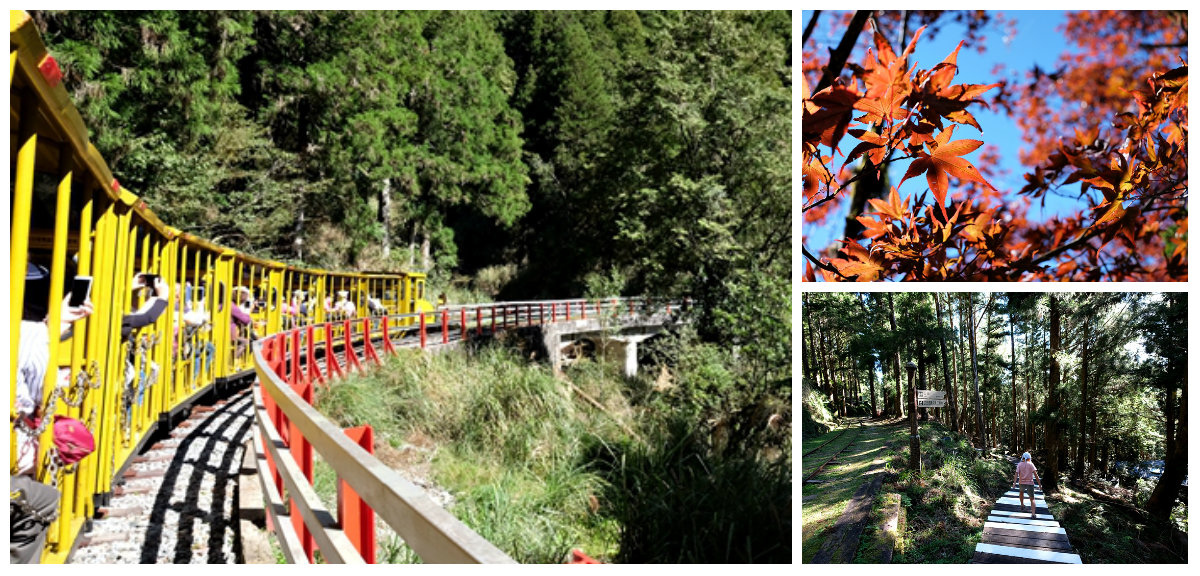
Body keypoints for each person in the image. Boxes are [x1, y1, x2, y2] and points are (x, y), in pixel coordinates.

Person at [1013, 451, 1042, 518]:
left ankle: (1022, 505)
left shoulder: (1019, 464)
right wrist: (1039, 484)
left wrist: (1014, 483)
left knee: (1021, 492)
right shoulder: (1031, 464)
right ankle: (1033, 514)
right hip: (1030, 483)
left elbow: (1016, 474)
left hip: (1021, 482)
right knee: (1032, 498)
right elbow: (1036, 475)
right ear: (1029, 458)